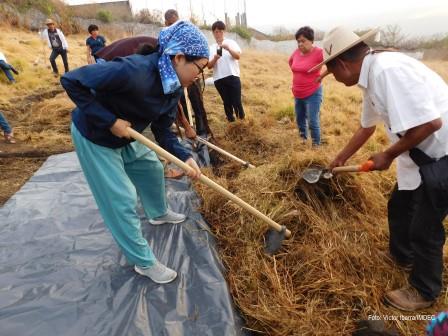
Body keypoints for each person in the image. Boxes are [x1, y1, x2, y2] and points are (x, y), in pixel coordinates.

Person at [60, 21, 209, 284]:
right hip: (95, 134)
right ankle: (143, 262)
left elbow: (163, 131)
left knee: (152, 169)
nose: (199, 76)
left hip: (129, 135)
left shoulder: (173, 87)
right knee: (121, 199)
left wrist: (184, 156)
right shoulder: (133, 71)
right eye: (199, 68)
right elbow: (71, 80)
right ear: (179, 57)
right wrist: (109, 120)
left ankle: (157, 212)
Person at [316, 26, 448, 311]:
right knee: (400, 205)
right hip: (420, 155)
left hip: (442, 156)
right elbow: (367, 126)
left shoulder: (387, 71)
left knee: (425, 228)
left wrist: (386, 155)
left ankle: (424, 290)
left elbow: (430, 124)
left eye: (333, 74)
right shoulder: (372, 74)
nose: (335, 80)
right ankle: (405, 257)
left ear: (341, 64)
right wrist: (340, 157)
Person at [289, 26, 324, 146]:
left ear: (311, 40)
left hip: (313, 93)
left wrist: (322, 75)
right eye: (298, 41)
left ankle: (316, 146)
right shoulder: (296, 53)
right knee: (300, 119)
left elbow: (333, 63)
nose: (300, 44)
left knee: (312, 121)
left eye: (303, 41)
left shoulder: (319, 53)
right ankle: (303, 139)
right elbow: (291, 63)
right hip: (298, 93)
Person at [207, 20, 245, 122]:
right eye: (215, 32)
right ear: (213, 33)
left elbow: (238, 56)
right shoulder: (211, 48)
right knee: (226, 102)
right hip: (219, 78)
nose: (218, 34)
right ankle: (231, 122)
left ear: (224, 32)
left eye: (220, 31)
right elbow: (209, 66)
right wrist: (215, 58)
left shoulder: (231, 43)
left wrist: (228, 48)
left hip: (233, 76)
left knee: (236, 101)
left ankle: (241, 122)